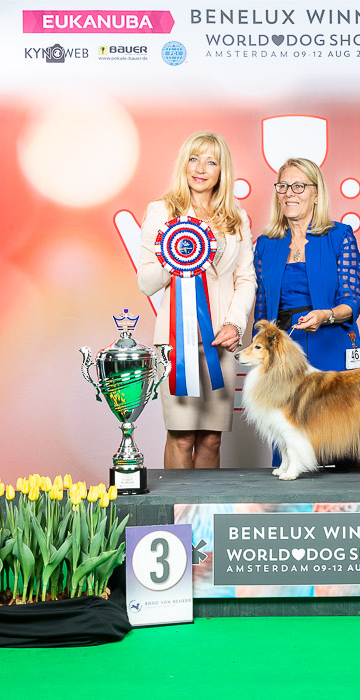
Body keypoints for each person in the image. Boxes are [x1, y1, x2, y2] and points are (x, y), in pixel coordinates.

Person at [137, 131, 256, 469]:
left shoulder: (237, 217)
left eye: (211, 162)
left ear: (222, 171)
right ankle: (178, 505)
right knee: (182, 436)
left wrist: (235, 324)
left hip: (222, 340)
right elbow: (145, 282)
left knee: (211, 438)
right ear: (183, 164)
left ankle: (205, 505)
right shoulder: (161, 211)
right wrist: (175, 255)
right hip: (177, 341)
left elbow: (246, 279)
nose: (200, 169)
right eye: (194, 159)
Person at [254, 157, 360, 466]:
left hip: (331, 344)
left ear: (317, 193)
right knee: (289, 442)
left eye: (299, 186)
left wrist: (326, 314)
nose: (289, 193)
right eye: (283, 186)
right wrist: (260, 352)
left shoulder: (340, 236)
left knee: (342, 445)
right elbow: (262, 307)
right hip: (285, 353)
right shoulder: (265, 244)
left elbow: (352, 301)